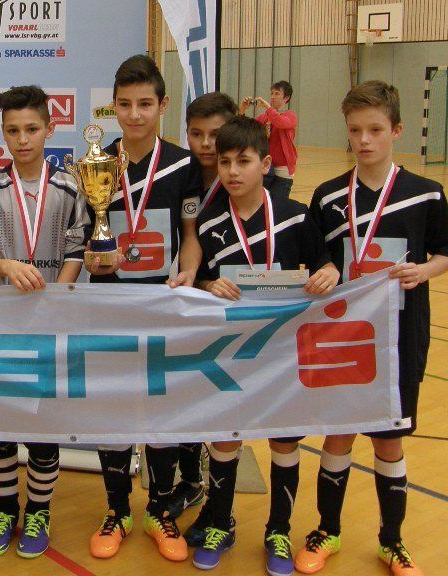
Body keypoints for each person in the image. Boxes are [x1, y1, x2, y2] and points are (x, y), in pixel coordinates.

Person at [298, 81, 448, 576]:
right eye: (354, 131)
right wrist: (324, 268)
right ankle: (327, 530)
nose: (363, 140)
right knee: (338, 435)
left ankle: (393, 541)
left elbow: (447, 252)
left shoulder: (426, 193)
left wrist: (424, 271)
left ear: (397, 130)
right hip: (343, 336)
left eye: (375, 130)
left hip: (399, 337)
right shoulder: (328, 197)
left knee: (389, 441)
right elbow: (316, 257)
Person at [192, 116, 339, 573]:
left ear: (266, 163)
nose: (233, 171)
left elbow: (324, 263)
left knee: (284, 440)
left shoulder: (295, 215)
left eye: (244, 161)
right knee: (225, 436)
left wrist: (329, 272)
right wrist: (208, 284)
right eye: (225, 162)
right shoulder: (210, 222)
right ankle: (220, 522)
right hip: (231, 351)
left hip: (283, 353)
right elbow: (197, 278)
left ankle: (278, 530)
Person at [85, 56, 204, 563]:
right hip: (108, 304)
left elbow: (191, 236)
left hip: (161, 305)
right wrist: (96, 258)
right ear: (113, 106)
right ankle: (117, 510)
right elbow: (86, 243)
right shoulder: (96, 164)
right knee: (112, 408)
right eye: (124, 104)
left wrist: (189, 273)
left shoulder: (184, 165)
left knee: (160, 409)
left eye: (145, 104)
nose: (134, 115)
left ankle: (159, 508)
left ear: (162, 105)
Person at [0, 85, 90, 559]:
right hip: (1, 323)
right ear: (2, 133)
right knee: (0, 424)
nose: (23, 139)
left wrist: (57, 294)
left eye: (32, 129)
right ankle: (4, 509)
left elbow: (77, 250)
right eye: (13, 131)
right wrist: (6, 266)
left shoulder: (71, 187)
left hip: (52, 323)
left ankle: (39, 510)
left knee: (43, 425)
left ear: (50, 130)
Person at [240, 80, 297, 198]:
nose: (273, 97)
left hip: (282, 169)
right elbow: (244, 128)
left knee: (278, 203)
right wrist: (242, 110)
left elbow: (280, 123)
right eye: (271, 93)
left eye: (277, 93)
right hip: (265, 167)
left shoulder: (290, 115)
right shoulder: (264, 117)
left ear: (286, 97)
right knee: (261, 201)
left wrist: (267, 107)